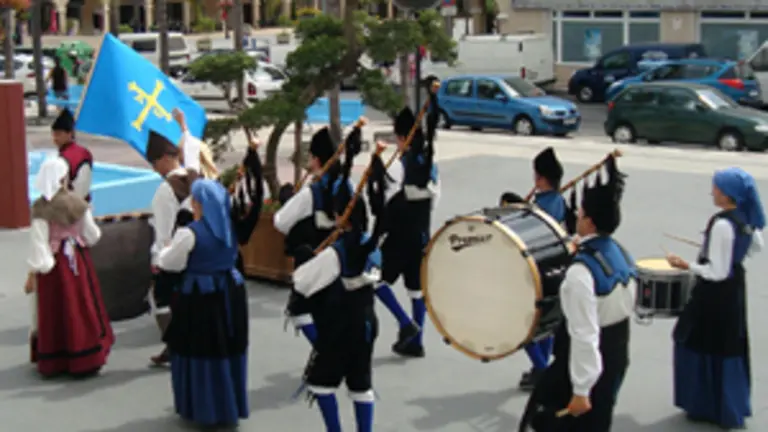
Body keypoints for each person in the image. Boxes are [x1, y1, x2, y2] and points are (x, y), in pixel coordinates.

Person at [518, 155, 635, 432]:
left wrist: (582, 389)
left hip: (583, 363)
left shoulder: (580, 273)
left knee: (544, 420)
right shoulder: (619, 251)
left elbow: (585, 334)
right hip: (617, 353)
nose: (577, 217)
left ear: (591, 222)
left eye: (580, 214)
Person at [292, 138, 383, 432]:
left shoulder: (337, 252)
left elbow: (301, 282)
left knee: (321, 384)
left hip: (341, 326)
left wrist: (309, 259)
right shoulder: (372, 247)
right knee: (360, 384)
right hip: (367, 323)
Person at [665, 167, 764, 429]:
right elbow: (756, 247)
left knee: (697, 340)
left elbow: (717, 272)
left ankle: (704, 404)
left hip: (715, 296)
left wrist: (685, 265)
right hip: (734, 291)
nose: (713, 191)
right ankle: (728, 405)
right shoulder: (745, 217)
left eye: (716, 188)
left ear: (727, 193)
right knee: (728, 344)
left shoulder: (721, 223)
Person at [157, 179, 250, 427]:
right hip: (230, 292)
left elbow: (170, 263)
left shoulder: (190, 233)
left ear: (199, 204)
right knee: (228, 346)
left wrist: (165, 250)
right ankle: (230, 404)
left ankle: (203, 407)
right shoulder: (229, 229)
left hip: (200, 295)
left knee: (197, 347)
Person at [26, 157, 114, 378]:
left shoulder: (40, 209)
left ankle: (54, 359)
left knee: (55, 311)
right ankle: (84, 355)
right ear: (63, 178)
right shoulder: (77, 204)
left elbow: (39, 244)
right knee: (80, 306)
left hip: (54, 267)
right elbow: (92, 235)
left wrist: (43, 266)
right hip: (77, 262)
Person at [274, 127, 351, 346]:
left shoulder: (311, 193)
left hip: (312, 259)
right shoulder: (347, 185)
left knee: (299, 309)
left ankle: (324, 354)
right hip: (340, 257)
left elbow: (280, 222)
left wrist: (288, 200)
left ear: (316, 160)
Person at [375, 105, 440, 358]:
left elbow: (387, 204)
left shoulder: (398, 167)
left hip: (398, 236)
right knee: (416, 289)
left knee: (372, 279)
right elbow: (434, 200)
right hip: (422, 233)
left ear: (402, 138)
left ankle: (405, 323)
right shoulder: (431, 167)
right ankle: (417, 340)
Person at [146, 129, 198, 366]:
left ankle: (175, 347)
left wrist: (158, 262)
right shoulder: (198, 179)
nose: (155, 169)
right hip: (201, 249)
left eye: (155, 163)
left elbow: (163, 233)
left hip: (176, 252)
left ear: (165, 159)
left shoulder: (166, 190)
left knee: (160, 299)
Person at [519, 147, 567, 391]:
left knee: (523, 326)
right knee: (547, 323)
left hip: (535, 269)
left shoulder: (540, 206)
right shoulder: (558, 201)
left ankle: (542, 369)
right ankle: (541, 366)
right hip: (555, 267)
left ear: (541, 178)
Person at [51, 109, 93, 202]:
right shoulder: (85, 152)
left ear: (70, 134)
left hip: (73, 209)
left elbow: (66, 189)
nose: (55, 138)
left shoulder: (67, 157)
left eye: (58, 134)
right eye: (53, 134)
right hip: (83, 206)